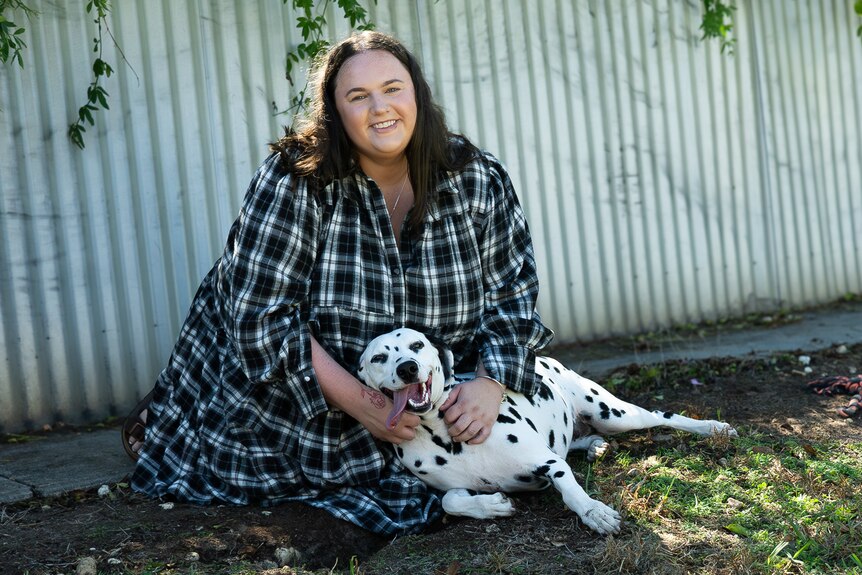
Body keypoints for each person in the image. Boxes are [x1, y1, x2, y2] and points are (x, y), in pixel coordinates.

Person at [123, 30, 554, 536]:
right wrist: (363, 404)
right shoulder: (293, 181)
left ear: (417, 93)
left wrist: (490, 382)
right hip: (305, 386)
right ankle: (170, 412)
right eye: (358, 96)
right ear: (334, 112)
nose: (380, 109)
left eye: (393, 88)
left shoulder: (476, 178)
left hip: (424, 386)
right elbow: (260, 315)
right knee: (278, 466)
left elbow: (512, 290)